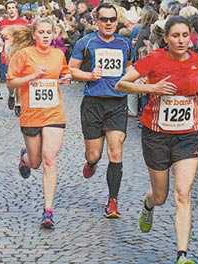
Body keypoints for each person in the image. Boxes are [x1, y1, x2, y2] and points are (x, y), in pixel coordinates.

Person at [115, 16, 198, 264]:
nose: (181, 40)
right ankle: (148, 204)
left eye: (185, 35)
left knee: (183, 194)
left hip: (188, 135)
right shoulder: (154, 59)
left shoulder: (196, 60)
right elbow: (121, 85)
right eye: (175, 36)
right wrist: (152, 89)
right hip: (157, 136)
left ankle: (182, 255)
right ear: (166, 38)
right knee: (160, 196)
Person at [5, 17, 71, 228]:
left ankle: (48, 211)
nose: (45, 35)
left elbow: (64, 71)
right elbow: (10, 83)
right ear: (34, 34)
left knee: (49, 158)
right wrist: (32, 76)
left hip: (54, 114)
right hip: (31, 115)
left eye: (48, 32)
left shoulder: (58, 54)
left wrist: (66, 77)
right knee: (36, 163)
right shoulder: (24, 55)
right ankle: (25, 157)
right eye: (41, 32)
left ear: (54, 35)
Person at [69, 3, 131, 219]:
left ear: (117, 21)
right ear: (96, 21)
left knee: (115, 151)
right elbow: (71, 69)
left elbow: (130, 67)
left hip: (117, 104)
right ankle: (91, 163)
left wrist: (135, 77)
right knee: (94, 154)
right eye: (104, 19)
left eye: (112, 19)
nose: (108, 23)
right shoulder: (85, 43)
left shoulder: (125, 43)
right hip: (93, 104)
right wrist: (89, 76)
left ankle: (113, 201)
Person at [0, 0, 28, 116]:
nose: (11, 10)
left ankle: (19, 104)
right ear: (6, 10)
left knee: (19, 80)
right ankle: (11, 95)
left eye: (13, 7)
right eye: (9, 8)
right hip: (7, 54)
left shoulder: (23, 22)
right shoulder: (2, 23)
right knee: (10, 80)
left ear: (16, 9)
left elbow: (27, 37)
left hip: (20, 54)